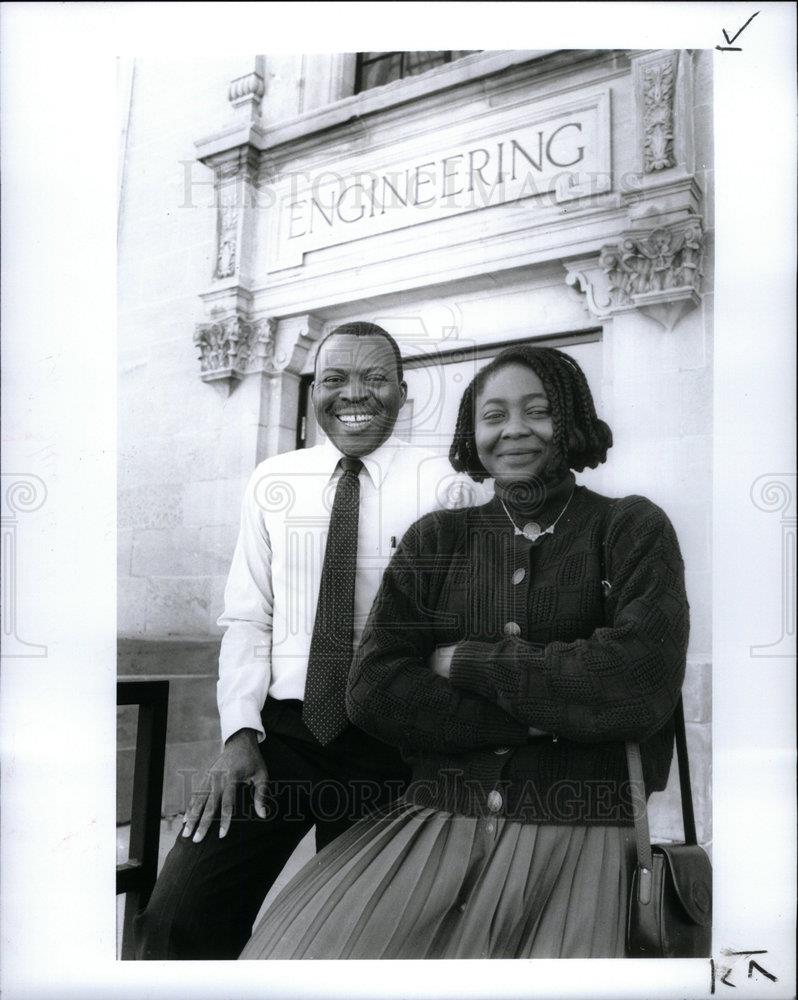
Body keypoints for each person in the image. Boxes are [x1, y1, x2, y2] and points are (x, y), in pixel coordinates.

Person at [239, 344, 690, 960]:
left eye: (539, 411)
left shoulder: (632, 529)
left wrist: (466, 662)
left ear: (574, 421)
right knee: (295, 958)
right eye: (494, 415)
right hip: (438, 819)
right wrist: (563, 715)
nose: (514, 431)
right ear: (471, 433)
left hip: (581, 832)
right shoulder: (438, 538)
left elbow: (638, 685)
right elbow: (374, 691)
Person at [134, 322, 464, 959]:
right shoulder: (272, 481)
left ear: (403, 393)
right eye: (335, 379)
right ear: (314, 392)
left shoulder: (445, 486)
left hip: (392, 748)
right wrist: (237, 734)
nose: (353, 395)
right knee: (179, 918)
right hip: (279, 742)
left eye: (374, 379)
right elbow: (247, 617)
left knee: (362, 945)